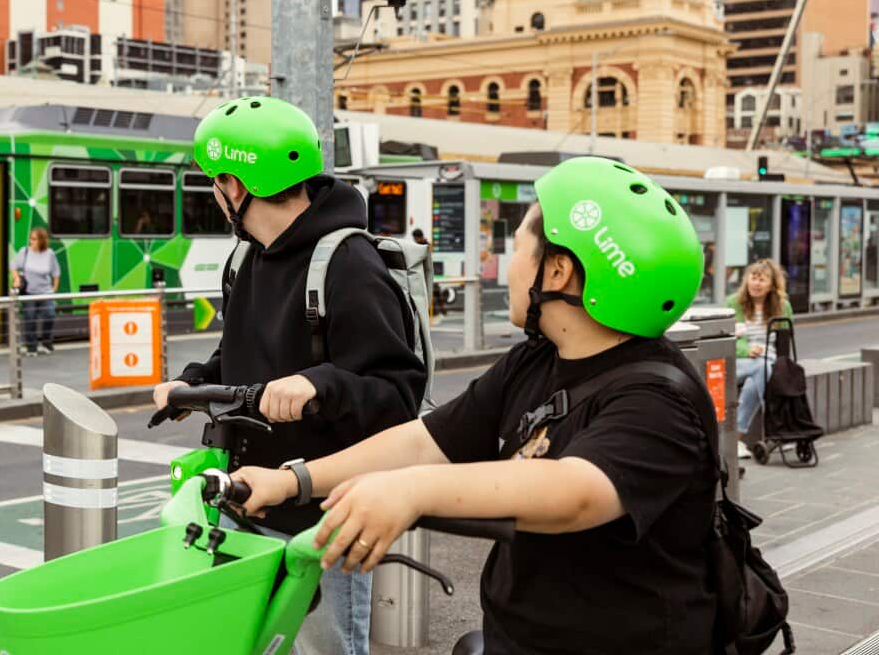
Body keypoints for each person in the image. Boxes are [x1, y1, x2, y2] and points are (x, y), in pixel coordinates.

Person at [233, 157, 720, 655]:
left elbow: (578, 491)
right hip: (517, 636)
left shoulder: (659, 400)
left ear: (558, 270)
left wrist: (413, 492)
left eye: (519, 246)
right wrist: (294, 480)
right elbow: (425, 442)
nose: (508, 264)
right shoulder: (535, 359)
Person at [153, 96, 427, 655]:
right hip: (247, 497)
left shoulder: (349, 264)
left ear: (236, 185)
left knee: (324, 650)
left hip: (321, 513)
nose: (215, 194)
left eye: (215, 181)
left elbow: (399, 396)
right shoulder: (248, 257)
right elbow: (242, 353)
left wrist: (318, 385)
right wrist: (191, 383)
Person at [726, 258, 793, 457]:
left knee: (757, 378)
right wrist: (747, 350)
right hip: (739, 362)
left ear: (772, 284)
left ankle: (736, 440)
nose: (756, 283)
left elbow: (784, 341)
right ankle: (777, 430)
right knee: (760, 369)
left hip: (768, 362)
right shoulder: (733, 303)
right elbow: (728, 338)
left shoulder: (782, 306)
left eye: (762, 279)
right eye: (752, 278)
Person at [12, 227, 61, 356]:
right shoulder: (25, 251)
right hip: (29, 292)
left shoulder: (49, 254)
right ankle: (31, 347)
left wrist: (54, 290)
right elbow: (13, 266)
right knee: (29, 318)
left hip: (46, 292)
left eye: (34, 239)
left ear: (41, 240)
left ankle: (46, 342)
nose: (31, 241)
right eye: (31, 238)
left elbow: (56, 273)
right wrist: (16, 278)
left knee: (50, 315)